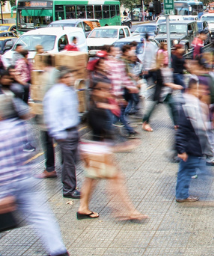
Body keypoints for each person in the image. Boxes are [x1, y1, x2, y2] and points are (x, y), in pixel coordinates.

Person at [0, 95, 70, 256]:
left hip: (6, 185)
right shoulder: (21, 126)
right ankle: (58, 250)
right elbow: (32, 149)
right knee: (42, 217)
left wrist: (4, 195)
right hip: (27, 179)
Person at [77, 80, 147, 221]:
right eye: (104, 89)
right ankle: (127, 211)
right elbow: (105, 131)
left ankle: (83, 208)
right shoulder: (96, 109)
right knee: (116, 179)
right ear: (95, 92)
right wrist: (122, 146)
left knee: (91, 180)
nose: (108, 92)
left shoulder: (99, 107)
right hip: (98, 152)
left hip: (93, 150)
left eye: (108, 89)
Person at [175, 76, 214, 203]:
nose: (202, 92)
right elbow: (182, 130)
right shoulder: (188, 106)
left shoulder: (194, 104)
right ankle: (182, 195)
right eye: (199, 89)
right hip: (190, 146)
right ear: (191, 90)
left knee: (187, 171)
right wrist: (181, 150)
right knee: (186, 171)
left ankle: (182, 194)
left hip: (193, 145)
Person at [43, 67, 82, 199]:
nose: (71, 79)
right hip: (65, 132)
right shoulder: (56, 93)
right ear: (62, 79)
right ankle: (69, 189)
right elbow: (52, 115)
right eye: (68, 77)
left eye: (71, 76)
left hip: (72, 130)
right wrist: (59, 134)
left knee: (71, 160)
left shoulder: (70, 90)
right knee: (68, 162)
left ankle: (69, 184)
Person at [142, 51, 182, 132]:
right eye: (164, 57)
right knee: (152, 108)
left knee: (173, 106)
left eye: (167, 57)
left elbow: (171, 78)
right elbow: (160, 81)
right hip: (159, 93)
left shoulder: (168, 68)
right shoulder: (157, 69)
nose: (166, 59)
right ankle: (145, 122)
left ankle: (176, 123)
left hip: (167, 93)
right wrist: (173, 85)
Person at [35, 56, 60, 179]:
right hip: (58, 116)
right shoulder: (57, 73)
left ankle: (50, 169)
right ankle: (65, 165)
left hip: (49, 117)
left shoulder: (46, 76)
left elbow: (45, 98)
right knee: (59, 141)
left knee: (47, 142)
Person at [106, 46, 139, 136]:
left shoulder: (119, 63)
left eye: (117, 50)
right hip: (111, 94)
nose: (117, 51)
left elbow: (123, 77)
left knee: (118, 114)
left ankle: (126, 130)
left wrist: (131, 86)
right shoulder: (107, 64)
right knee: (116, 114)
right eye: (114, 50)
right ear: (109, 52)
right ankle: (125, 131)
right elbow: (109, 79)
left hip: (118, 93)